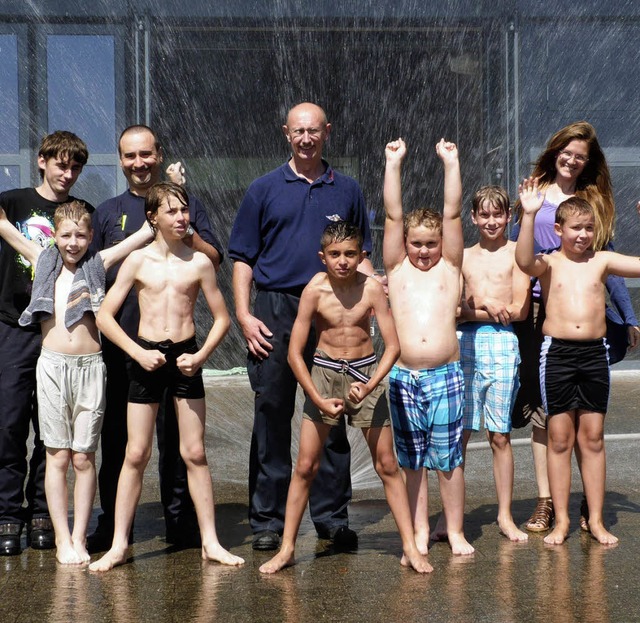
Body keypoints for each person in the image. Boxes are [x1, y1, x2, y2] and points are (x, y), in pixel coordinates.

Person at [228, 102, 375, 551]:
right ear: (286, 134)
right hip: (276, 310)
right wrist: (244, 314)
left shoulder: (347, 188)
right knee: (271, 412)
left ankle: (332, 517)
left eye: (314, 130)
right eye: (298, 131)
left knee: (331, 411)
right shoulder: (263, 189)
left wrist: (368, 305)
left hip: (333, 309)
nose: (306, 138)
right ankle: (268, 521)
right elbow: (242, 258)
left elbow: (362, 253)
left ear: (327, 132)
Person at [259, 222, 432, 574]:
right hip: (323, 375)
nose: (342, 261)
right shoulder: (314, 291)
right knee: (306, 466)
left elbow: (393, 346)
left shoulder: (370, 289)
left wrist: (370, 387)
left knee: (387, 465)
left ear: (362, 255)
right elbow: (294, 353)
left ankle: (411, 548)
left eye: (350, 254)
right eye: (335, 255)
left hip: (365, 375)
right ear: (322, 257)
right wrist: (317, 398)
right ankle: (288, 548)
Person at [89, 182, 244, 572]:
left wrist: (201, 355)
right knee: (136, 453)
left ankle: (210, 542)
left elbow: (223, 318)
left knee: (194, 453)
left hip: (186, 357)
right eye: (172, 211)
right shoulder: (138, 261)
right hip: (146, 357)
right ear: (152, 217)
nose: (182, 217)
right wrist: (138, 352)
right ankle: (120, 545)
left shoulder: (199, 262)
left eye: (184, 210)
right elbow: (105, 316)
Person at [0, 201, 152, 564]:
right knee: (56, 456)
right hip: (52, 367)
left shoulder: (97, 265)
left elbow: (144, 233)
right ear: (54, 235)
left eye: (81, 235)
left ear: (90, 236)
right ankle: (62, 539)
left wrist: (174, 188)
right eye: (66, 235)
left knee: (83, 457)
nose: (73, 243)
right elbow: (4, 226)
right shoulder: (42, 260)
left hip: (90, 368)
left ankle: (80, 536)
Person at [510, 121, 639, 533]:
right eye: (575, 228)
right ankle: (557, 513)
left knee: (593, 435)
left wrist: (629, 316)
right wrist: (529, 215)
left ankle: (594, 518)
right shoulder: (548, 256)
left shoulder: (597, 249)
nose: (582, 234)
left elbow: (626, 269)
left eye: (588, 228)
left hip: (593, 351)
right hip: (551, 340)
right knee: (554, 429)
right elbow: (523, 260)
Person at [0, 131, 91, 556]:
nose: (67, 174)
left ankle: (41, 510)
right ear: (41, 161)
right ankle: (6, 512)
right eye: (60, 164)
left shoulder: (82, 213)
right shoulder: (14, 202)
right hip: (14, 328)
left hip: (58, 334)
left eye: (74, 167)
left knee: (53, 429)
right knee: (10, 421)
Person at [383, 137, 474, 556]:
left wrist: (450, 164)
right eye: (416, 243)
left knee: (450, 460)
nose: (423, 250)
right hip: (403, 378)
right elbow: (392, 213)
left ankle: (453, 529)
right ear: (405, 244)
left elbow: (452, 212)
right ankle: (419, 530)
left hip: (445, 376)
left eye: (430, 243)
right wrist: (393, 163)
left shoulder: (451, 267)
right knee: (412, 461)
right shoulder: (396, 267)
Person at [457, 185, 530, 542]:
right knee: (459, 434)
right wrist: (485, 303)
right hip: (465, 343)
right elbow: (453, 308)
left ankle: (504, 515)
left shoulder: (518, 254)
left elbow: (519, 310)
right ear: (473, 217)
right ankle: (451, 520)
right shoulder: (464, 257)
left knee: (499, 433)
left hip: (502, 344)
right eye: (483, 215)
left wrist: (476, 310)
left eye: (497, 215)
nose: (491, 222)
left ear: (508, 217)